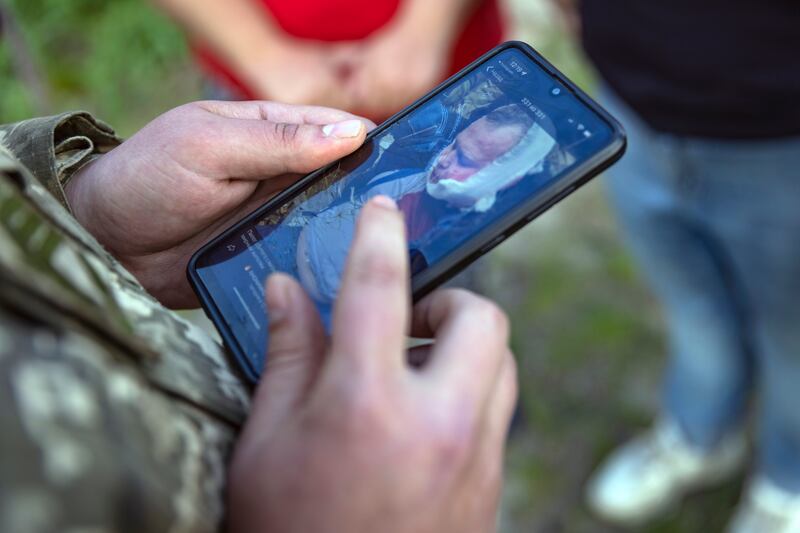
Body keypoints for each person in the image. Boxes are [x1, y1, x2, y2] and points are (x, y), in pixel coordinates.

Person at [0, 100, 517, 532]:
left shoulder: (446, 219)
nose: (449, 162)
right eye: (456, 146)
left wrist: (82, 209)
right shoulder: (407, 179)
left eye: (471, 162)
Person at [552, 1, 800, 531]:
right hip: (629, 105)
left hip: (780, 141)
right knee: (692, 309)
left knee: (792, 341)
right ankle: (701, 434)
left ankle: (788, 479)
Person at [296, 103, 558, 310]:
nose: (444, 160)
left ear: (504, 180)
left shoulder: (456, 250)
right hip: (289, 249)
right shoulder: (411, 177)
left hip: (322, 313)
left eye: (464, 160)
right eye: (454, 146)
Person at [155, 0, 505, 119]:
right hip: (256, 89)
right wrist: (261, 53)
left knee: (444, 239)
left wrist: (424, 28)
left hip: (451, 71)